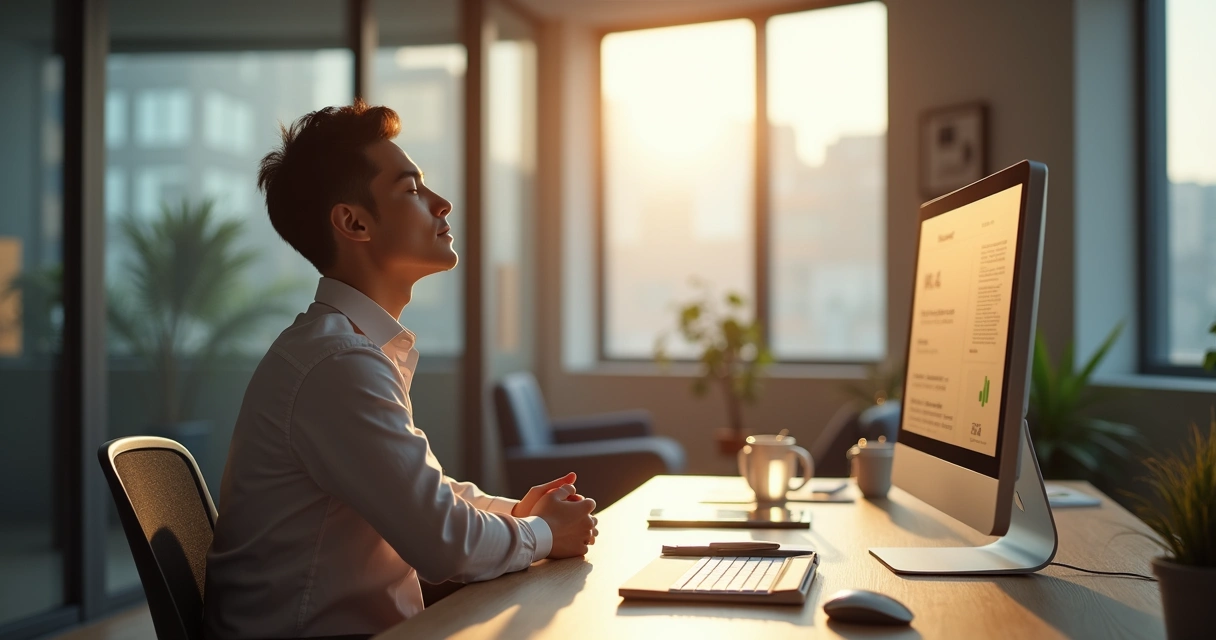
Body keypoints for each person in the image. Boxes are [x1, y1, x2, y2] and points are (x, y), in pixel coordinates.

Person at [203, 100, 598, 639]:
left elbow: (429, 494)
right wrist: (541, 533)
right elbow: (445, 543)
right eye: (411, 190)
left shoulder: (348, 349)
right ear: (354, 222)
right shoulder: (336, 365)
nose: (442, 204)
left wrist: (522, 516)